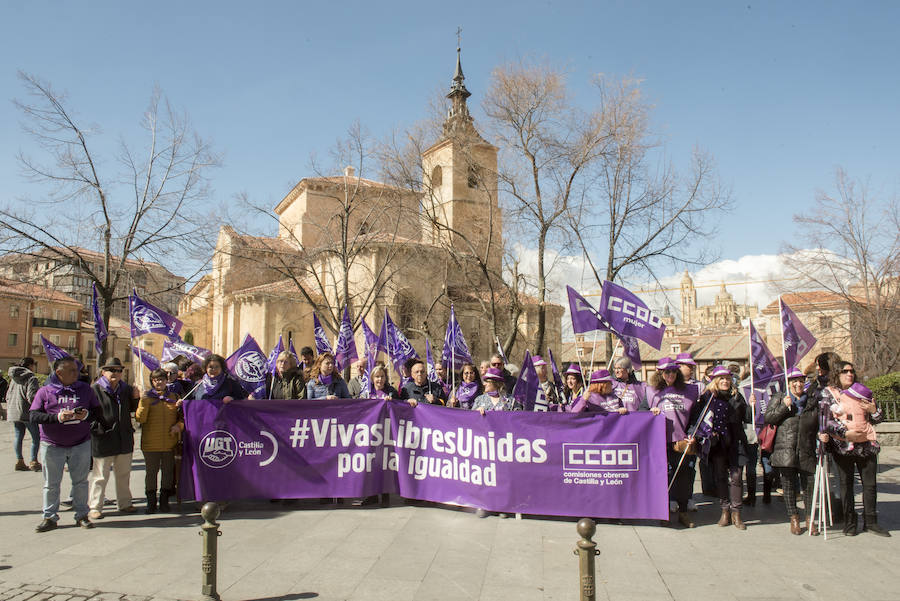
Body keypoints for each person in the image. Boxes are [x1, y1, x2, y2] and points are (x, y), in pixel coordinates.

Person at [29, 356, 102, 532]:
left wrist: (85, 416)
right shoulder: (45, 391)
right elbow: (33, 416)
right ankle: (49, 517)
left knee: (80, 482)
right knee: (51, 484)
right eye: (72, 370)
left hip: (80, 443)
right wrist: (57, 418)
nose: (77, 373)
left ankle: (82, 515)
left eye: (76, 370)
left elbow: (98, 411)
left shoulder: (85, 389)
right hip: (52, 445)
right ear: (59, 372)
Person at [823, 363, 889, 537]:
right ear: (837, 373)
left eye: (852, 371)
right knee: (846, 485)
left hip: (866, 444)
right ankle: (850, 522)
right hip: (843, 446)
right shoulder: (829, 393)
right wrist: (846, 433)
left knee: (870, 485)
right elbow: (826, 421)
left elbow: (878, 417)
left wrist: (874, 411)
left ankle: (871, 521)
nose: (849, 374)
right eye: (845, 371)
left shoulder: (862, 391)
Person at [763, 368, 821, 535]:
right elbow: (769, 418)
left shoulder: (811, 400)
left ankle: (810, 518)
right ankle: (794, 517)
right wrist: (784, 406)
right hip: (785, 448)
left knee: (809, 486)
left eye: (801, 381)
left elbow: (818, 421)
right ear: (788, 383)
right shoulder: (780, 397)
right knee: (788, 486)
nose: (798, 384)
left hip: (806, 448)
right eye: (794, 381)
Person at [649, 357, 702, 528]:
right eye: (667, 372)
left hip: (681, 441)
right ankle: (663, 513)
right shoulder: (651, 392)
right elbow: (642, 412)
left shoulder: (689, 391)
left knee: (684, 477)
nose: (670, 374)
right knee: (663, 478)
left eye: (673, 371)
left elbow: (696, 416)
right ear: (661, 374)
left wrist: (692, 433)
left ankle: (683, 512)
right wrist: (651, 411)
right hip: (659, 442)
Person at [696, 365, 751, 531]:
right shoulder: (708, 397)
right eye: (721, 379)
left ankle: (737, 512)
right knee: (720, 476)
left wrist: (751, 406)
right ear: (715, 381)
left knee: (736, 477)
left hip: (735, 441)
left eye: (727, 378)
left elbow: (747, 418)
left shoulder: (737, 396)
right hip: (717, 442)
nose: (725, 381)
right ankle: (725, 510)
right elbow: (699, 417)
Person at [88, 357, 140, 519]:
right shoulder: (95, 389)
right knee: (100, 476)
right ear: (103, 372)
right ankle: (95, 506)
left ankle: (124, 503)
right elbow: (88, 413)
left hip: (123, 438)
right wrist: (97, 429)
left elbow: (133, 410)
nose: (115, 373)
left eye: (118, 370)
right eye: (111, 370)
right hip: (103, 439)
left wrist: (136, 398)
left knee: (124, 474)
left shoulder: (125, 389)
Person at [135, 368, 184, 514]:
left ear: (166, 380)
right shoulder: (147, 398)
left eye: (162, 379)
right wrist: (143, 404)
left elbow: (181, 418)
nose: (159, 382)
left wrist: (178, 426)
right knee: (151, 474)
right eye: (156, 380)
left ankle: (164, 502)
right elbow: (140, 419)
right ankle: (151, 503)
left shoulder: (174, 397)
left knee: (168, 473)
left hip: (169, 443)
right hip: (151, 444)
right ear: (152, 381)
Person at [8, 358, 42, 472]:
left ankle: (19, 461)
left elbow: (8, 394)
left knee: (18, 436)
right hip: (27, 412)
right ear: (30, 365)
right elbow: (31, 396)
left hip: (14, 411)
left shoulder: (13, 378)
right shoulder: (31, 378)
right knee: (36, 437)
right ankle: (34, 461)